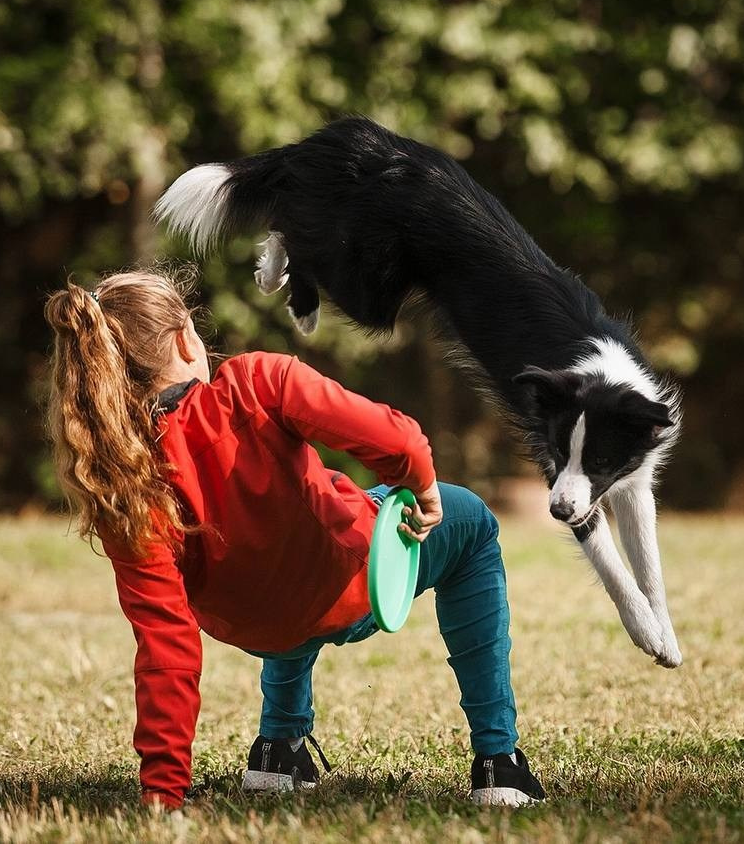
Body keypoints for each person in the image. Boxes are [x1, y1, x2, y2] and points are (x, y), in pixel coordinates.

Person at [43, 268, 547, 809]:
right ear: (185, 339)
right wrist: (423, 487)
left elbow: (166, 648)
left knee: (283, 542)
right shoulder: (256, 383)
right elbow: (397, 441)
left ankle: (278, 750)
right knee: (472, 524)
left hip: (256, 626)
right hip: (350, 586)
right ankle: (499, 761)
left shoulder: (125, 485)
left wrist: (163, 791)